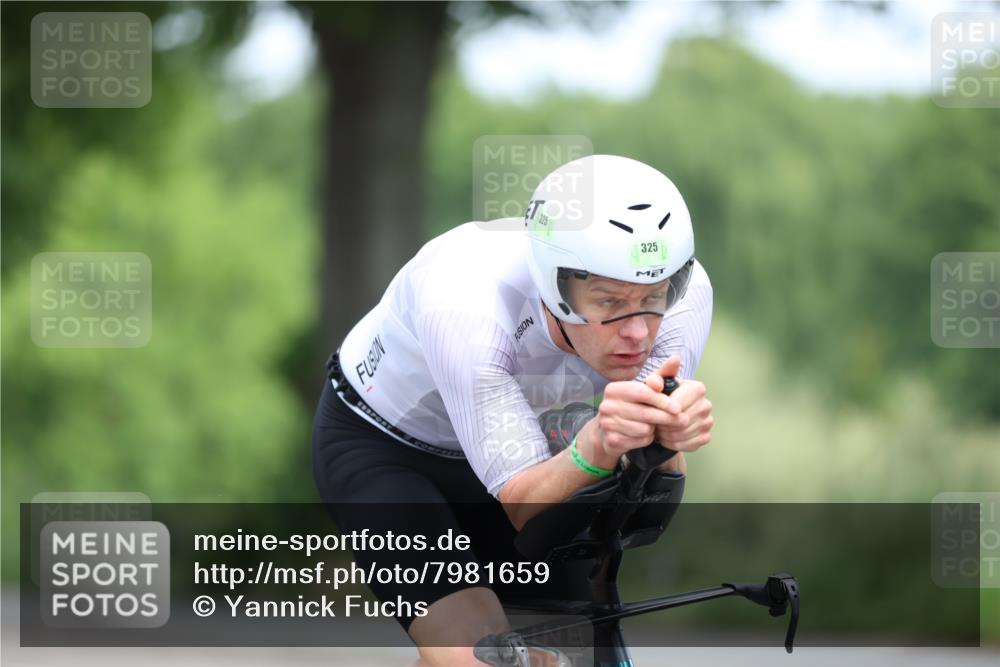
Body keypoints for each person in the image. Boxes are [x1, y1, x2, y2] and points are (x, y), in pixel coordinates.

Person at [312, 154, 714, 666]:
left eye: (654, 297)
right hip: (388, 450)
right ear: (553, 283)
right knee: (481, 657)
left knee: (575, 651)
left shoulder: (686, 297)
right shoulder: (465, 299)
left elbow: (644, 496)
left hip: (532, 440)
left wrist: (667, 438)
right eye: (609, 302)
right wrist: (597, 442)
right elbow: (524, 504)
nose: (637, 331)